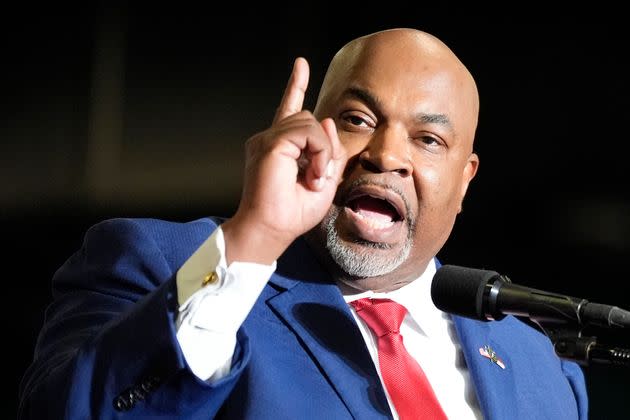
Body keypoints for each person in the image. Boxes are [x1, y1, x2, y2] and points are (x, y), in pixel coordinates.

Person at [18, 28, 588, 419]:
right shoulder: (158, 261)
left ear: (465, 180)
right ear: (310, 129)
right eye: (358, 119)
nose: (386, 154)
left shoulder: (541, 360)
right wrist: (254, 239)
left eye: (428, 139)